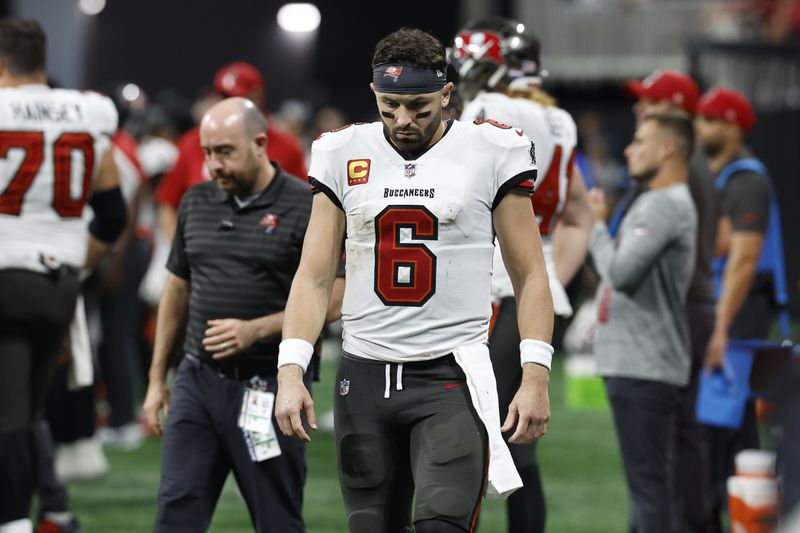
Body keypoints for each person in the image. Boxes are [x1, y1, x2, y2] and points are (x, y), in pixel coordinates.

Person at [275, 27, 555, 533]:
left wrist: (535, 375)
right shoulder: (341, 152)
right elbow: (314, 277)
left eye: (419, 107)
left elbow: (531, 274)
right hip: (361, 377)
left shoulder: (492, 149)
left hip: (451, 379)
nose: (403, 120)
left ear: (447, 95)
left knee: (440, 526)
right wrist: (290, 369)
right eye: (390, 105)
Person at [143, 97, 340, 533]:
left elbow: (339, 293)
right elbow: (177, 289)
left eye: (225, 152)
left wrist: (257, 330)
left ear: (260, 144)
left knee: (276, 519)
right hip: (197, 381)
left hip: (271, 387)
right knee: (175, 513)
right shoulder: (195, 202)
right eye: (208, 152)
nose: (214, 165)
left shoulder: (306, 204)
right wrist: (158, 379)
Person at [452, 17, 593, 533]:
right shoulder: (561, 121)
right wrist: (547, 277)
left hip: (489, 285)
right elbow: (579, 214)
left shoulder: (487, 110)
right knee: (514, 438)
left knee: (466, 432)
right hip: (531, 289)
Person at [0, 18, 126, 533]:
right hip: (59, 287)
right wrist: (77, 261)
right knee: (26, 415)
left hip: (6, 276)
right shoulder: (89, 110)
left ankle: (14, 522)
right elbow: (113, 215)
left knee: (8, 418)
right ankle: (48, 510)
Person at [587, 113, 697, 533]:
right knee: (647, 488)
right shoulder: (658, 201)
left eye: (640, 141)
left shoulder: (665, 204)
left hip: (644, 365)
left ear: (667, 148)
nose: (629, 150)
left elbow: (621, 272)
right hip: (639, 363)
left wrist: (598, 228)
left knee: (649, 490)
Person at [625, 69, 716, 531]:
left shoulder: (683, 167)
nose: (641, 110)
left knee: (671, 440)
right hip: (688, 304)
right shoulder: (690, 165)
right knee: (674, 438)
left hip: (680, 308)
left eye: (651, 103)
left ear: (676, 110)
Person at [695, 87, 782, 533]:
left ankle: (740, 518)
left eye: (707, 119)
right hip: (724, 315)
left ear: (730, 126)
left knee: (725, 432)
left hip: (738, 317)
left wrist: (721, 329)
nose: (698, 126)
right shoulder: (719, 176)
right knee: (720, 432)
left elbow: (742, 260)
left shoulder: (746, 179)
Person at [154, 61, 307, 244]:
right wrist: (181, 255)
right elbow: (168, 202)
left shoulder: (287, 147)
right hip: (201, 253)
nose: (224, 103)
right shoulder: (193, 141)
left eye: (233, 97)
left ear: (257, 97)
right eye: (220, 96)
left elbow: (307, 207)